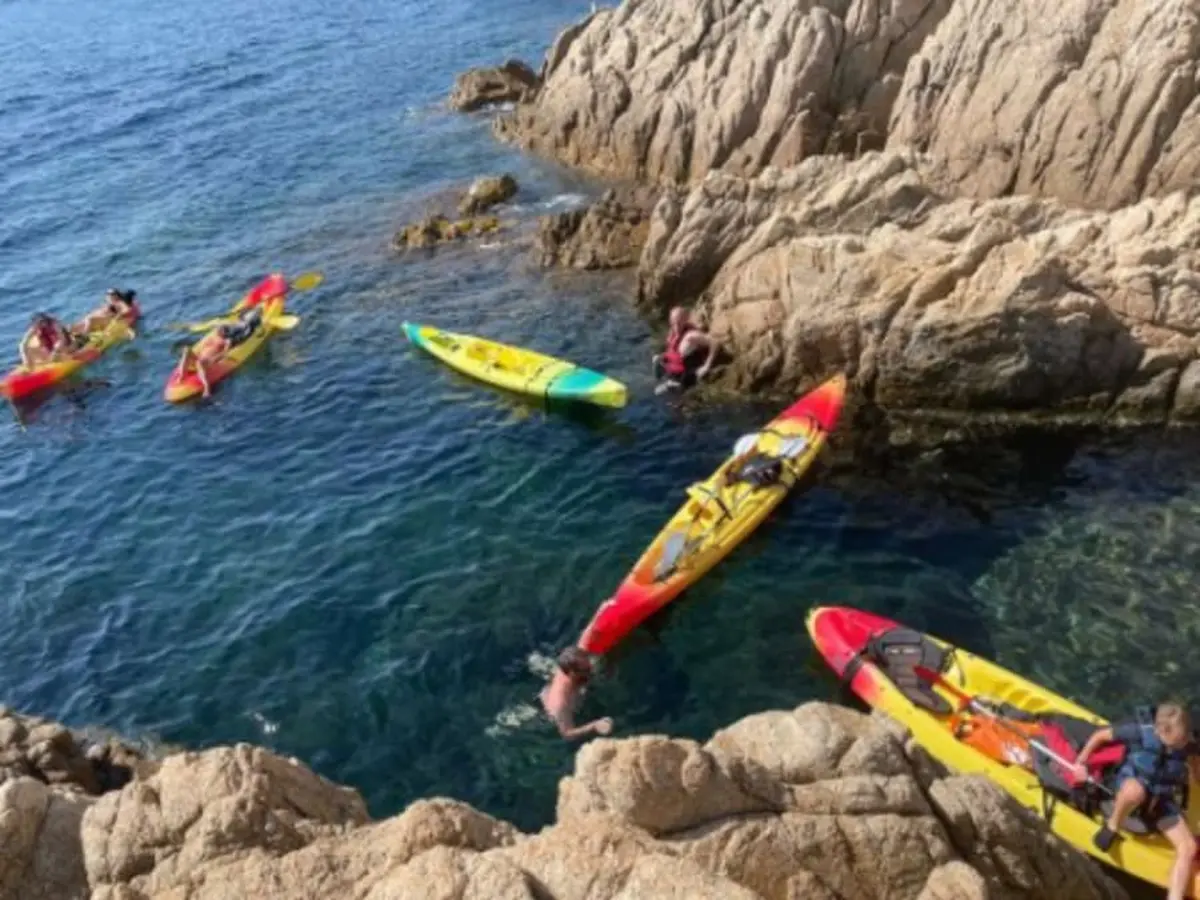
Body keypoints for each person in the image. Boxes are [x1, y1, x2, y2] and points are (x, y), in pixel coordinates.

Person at [1073, 702, 1200, 900]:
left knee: (1188, 847)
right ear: (1161, 731)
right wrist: (1080, 763)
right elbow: (1100, 736)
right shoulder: (1139, 732)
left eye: (1185, 738)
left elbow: (1196, 772)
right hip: (1129, 790)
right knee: (1135, 791)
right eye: (1178, 740)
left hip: (1159, 801)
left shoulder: (1187, 744)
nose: (1183, 743)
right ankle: (1113, 825)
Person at [173, 306, 262, 398]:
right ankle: (182, 375)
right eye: (220, 329)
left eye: (222, 330)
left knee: (200, 362)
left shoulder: (227, 341)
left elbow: (225, 353)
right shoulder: (213, 336)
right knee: (187, 350)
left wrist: (214, 359)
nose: (219, 330)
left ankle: (207, 387)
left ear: (226, 333)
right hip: (199, 358)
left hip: (208, 362)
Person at [539, 646, 613, 741]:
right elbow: (567, 733)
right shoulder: (562, 702)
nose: (590, 669)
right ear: (572, 673)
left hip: (558, 690)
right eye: (586, 669)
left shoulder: (568, 667)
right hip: (556, 715)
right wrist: (594, 726)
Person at [652, 306, 719, 394]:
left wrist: (706, 366)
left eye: (679, 322)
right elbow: (672, 350)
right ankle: (663, 380)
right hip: (674, 367)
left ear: (685, 320)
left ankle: (671, 385)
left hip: (686, 373)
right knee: (656, 359)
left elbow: (714, 343)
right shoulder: (672, 332)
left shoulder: (691, 336)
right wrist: (663, 357)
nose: (676, 326)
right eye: (673, 322)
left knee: (659, 393)